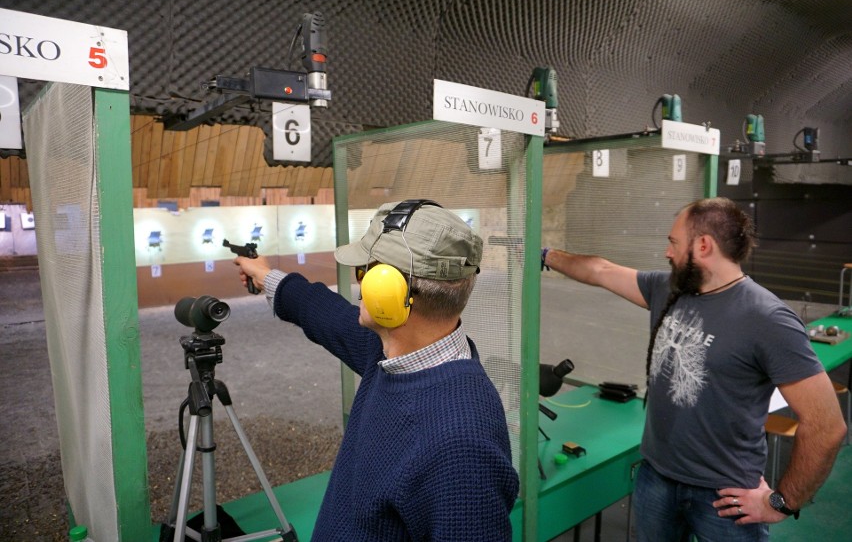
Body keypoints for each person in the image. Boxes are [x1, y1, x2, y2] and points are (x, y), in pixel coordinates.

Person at [541, 197, 846, 541]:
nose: (667, 252)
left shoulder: (767, 318)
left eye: (673, 242)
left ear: (703, 245)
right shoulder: (667, 288)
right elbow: (601, 270)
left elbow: (826, 426)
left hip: (725, 497)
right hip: (657, 477)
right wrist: (545, 255)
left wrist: (781, 502)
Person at [232, 199, 519, 541]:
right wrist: (265, 275)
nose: (359, 285)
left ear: (389, 290)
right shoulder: (392, 352)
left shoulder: (461, 445)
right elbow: (322, 312)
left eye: (363, 272)